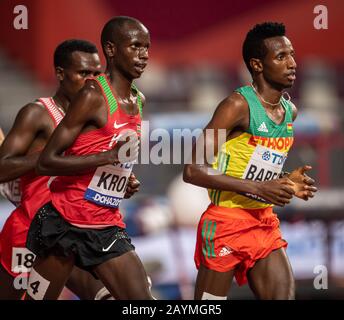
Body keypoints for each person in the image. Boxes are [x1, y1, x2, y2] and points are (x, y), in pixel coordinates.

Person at [183, 22, 317, 300]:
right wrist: (258, 188)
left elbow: (257, 164)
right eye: (281, 57)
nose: (292, 63)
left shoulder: (289, 111)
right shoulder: (236, 106)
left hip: (264, 222)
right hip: (225, 224)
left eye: (291, 54)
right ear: (257, 65)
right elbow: (192, 170)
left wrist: (287, 181)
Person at [25, 16, 153, 300]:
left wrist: (123, 178)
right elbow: (47, 161)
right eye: (135, 46)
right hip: (64, 223)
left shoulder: (139, 99)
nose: (143, 55)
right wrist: (106, 156)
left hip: (105, 226)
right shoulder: (93, 93)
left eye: (147, 47)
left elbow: (112, 155)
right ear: (111, 49)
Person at [0, 39, 139, 300]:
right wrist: (54, 156)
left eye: (97, 73)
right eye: (83, 73)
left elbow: (97, 166)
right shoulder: (37, 114)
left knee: (110, 295)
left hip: (79, 228)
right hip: (33, 230)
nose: (91, 80)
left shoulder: (99, 115)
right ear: (61, 74)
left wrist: (122, 181)